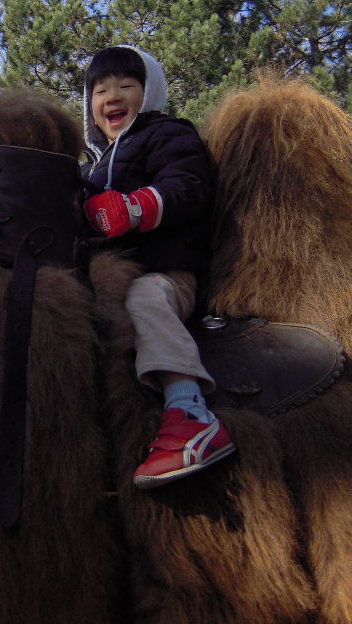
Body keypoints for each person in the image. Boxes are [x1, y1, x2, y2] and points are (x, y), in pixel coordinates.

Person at [81, 45, 235, 488]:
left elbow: (187, 186)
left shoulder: (168, 134)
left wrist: (135, 207)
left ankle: (190, 412)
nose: (112, 95)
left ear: (148, 94)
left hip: (166, 274)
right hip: (106, 280)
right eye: (100, 88)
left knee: (142, 297)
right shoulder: (92, 169)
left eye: (126, 85)